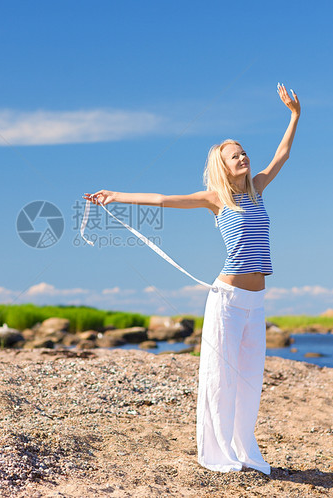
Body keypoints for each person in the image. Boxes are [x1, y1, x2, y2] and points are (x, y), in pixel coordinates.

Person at [84, 83, 300, 475]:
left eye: (244, 152)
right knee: (220, 378)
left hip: (257, 302)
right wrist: (116, 195)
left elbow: (282, 155)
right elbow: (164, 200)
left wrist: (294, 115)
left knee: (250, 380)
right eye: (235, 155)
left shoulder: (257, 190)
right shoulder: (216, 198)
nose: (243, 157)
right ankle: (219, 454)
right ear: (223, 165)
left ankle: (245, 448)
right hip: (228, 299)